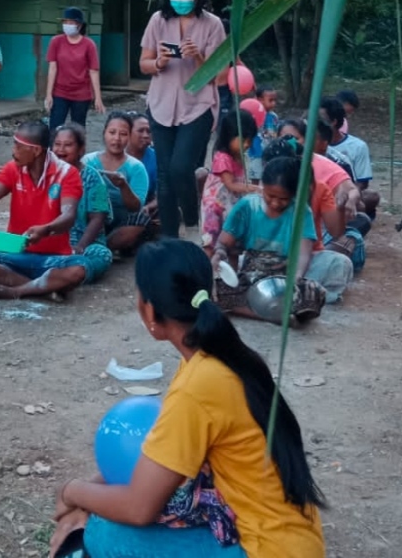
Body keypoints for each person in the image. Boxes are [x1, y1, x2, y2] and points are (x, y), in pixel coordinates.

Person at [48, 239, 326, 558]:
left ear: (149, 310)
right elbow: (158, 457)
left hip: (266, 550)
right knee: (106, 513)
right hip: (293, 539)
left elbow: (140, 508)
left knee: (106, 533)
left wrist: (71, 491)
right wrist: (92, 491)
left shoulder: (199, 385)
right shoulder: (222, 357)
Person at [0, 121, 93, 301]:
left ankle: (16, 291)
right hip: (15, 255)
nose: (13, 150)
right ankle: (43, 288)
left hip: (53, 259)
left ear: (36, 151)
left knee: (79, 269)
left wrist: (45, 229)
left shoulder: (67, 173)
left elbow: (68, 215)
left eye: (18, 145)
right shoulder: (14, 168)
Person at [139, 0, 226, 240]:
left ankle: (191, 223)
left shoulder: (213, 24)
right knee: (165, 175)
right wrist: (160, 62)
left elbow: (221, 76)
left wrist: (199, 57)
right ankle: (168, 237)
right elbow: (143, 63)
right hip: (161, 103)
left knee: (181, 167)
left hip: (197, 105)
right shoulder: (158, 20)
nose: (178, 0)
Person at [212, 156, 337, 323]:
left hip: (285, 277)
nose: (275, 203)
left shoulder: (301, 212)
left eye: (283, 199)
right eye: (270, 196)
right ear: (262, 186)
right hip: (251, 275)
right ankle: (275, 316)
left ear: (293, 194)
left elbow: (303, 253)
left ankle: (267, 310)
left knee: (314, 294)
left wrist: (296, 278)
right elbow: (223, 242)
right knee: (214, 290)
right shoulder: (247, 206)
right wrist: (219, 253)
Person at [261, 138, 352, 301]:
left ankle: (305, 291)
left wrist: (340, 208)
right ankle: (303, 292)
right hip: (268, 259)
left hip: (307, 259)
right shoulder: (262, 193)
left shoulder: (317, 188)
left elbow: (335, 232)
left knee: (340, 263)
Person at [276, 121, 367, 270]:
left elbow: (335, 230)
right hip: (273, 245)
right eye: (283, 138)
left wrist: (344, 204)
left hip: (312, 242)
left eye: (294, 138)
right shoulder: (270, 167)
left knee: (349, 242)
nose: (288, 143)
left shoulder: (319, 182)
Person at [52, 124, 113, 283]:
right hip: (52, 241)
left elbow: (98, 218)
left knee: (102, 255)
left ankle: (62, 277)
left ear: (80, 149)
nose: (61, 150)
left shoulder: (93, 178)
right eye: (57, 144)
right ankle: (56, 277)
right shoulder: (48, 175)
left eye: (68, 145)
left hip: (86, 243)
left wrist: (80, 247)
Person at [83, 112, 150, 255]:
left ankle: (104, 248)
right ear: (104, 133)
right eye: (112, 132)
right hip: (90, 217)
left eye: (123, 134)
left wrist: (123, 186)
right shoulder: (88, 161)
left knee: (141, 218)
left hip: (119, 222)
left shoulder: (136, 167)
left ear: (130, 136)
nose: (117, 139)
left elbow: (136, 207)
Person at [200, 110, 259, 253]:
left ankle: (231, 274)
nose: (246, 144)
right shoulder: (222, 157)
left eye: (249, 141)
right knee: (212, 241)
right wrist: (255, 189)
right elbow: (230, 184)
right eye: (242, 140)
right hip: (216, 206)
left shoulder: (241, 156)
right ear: (229, 136)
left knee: (233, 243)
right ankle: (209, 272)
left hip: (232, 205)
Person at [44, 7, 105, 132]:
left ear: (79, 25)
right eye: (65, 22)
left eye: (70, 23)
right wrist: (48, 94)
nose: (67, 25)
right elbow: (52, 68)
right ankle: (52, 151)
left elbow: (93, 71)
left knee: (78, 130)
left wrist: (98, 97)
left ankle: (78, 152)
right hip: (60, 92)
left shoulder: (89, 44)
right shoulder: (56, 41)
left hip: (81, 94)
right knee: (54, 128)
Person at [322, 96, 379, 218]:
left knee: (370, 198)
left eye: (320, 120)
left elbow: (362, 182)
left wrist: (351, 196)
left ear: (334, 122)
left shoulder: (357, 146)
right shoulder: (309, 143)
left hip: (344, 191)